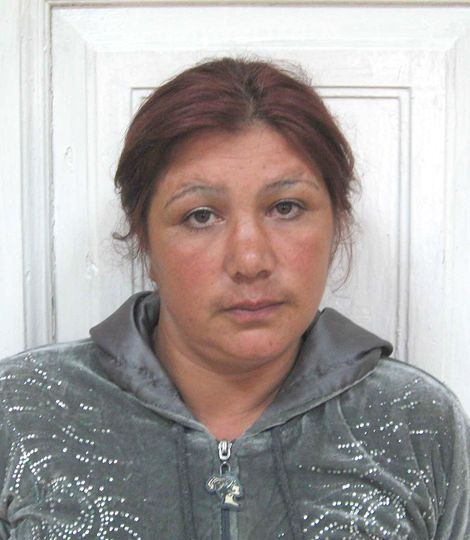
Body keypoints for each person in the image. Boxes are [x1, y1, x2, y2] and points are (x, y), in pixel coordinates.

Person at [0, 57, 468, 540]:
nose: (250, 260)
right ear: (145, 242)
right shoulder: (23, 410)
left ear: (336, 226)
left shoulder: (415, 419)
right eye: (201, 215)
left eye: (286, 207)